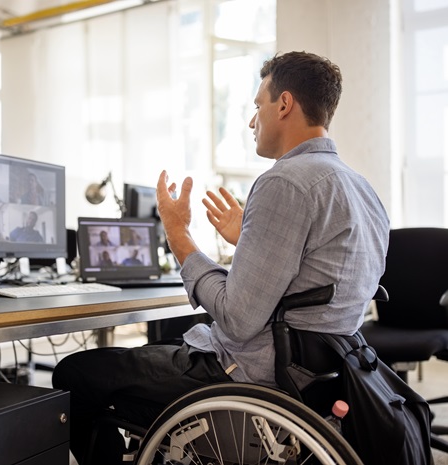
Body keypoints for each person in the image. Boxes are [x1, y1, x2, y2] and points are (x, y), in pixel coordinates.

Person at [52, 51, 390, 465]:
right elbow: (313, 285)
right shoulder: (361, 188)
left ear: (283, 105)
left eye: (257, 107)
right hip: (317, 375)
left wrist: (179, 237)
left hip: (249, 376)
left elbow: (239, 318)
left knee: (75, 375)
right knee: (162, 342)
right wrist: (247, 242)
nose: (252, 122)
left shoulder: (285, 180)